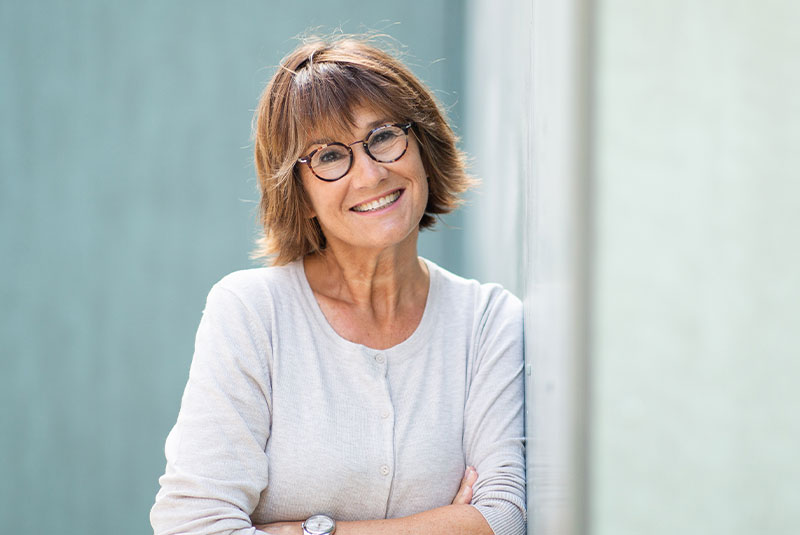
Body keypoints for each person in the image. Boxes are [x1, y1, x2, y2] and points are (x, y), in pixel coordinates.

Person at [150, 35, 525, 535]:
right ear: (298, 194)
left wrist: (310, 531)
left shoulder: (488, 321)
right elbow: (192, 525)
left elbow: (504, 516)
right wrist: (447, 525)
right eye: (328, 157)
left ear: (422, 147)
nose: (370, 174)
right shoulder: (252, 311)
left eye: (384, 136)